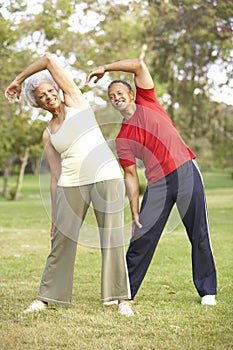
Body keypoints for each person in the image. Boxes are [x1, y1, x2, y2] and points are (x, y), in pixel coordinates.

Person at [5, 53, 134, 316]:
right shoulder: (48, 132)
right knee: (61, 241)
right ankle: (45, 297)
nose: (49, 96)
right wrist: (54, 217)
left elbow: (48, 59)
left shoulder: (76, 100)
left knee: (112, 239)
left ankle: (121, 300)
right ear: (37, 102)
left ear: (58, 89)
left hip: (105, 176)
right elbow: (55, 175)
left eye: (51, 90)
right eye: (42, 96)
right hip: (71, 184)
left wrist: (18, 80)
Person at [86, 58, 217, 306]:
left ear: (132, 94)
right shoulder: (123, 137)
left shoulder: (148, 101)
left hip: (185, 170)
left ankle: (207, 290)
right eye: (111, 96)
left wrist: (105, 68)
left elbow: (138, 64)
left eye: (119, 92)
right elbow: (131, 176)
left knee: (198, 232)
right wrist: (135, 212)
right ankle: (123, 291)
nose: (116, 98)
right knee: (142, 237)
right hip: (157, 184)